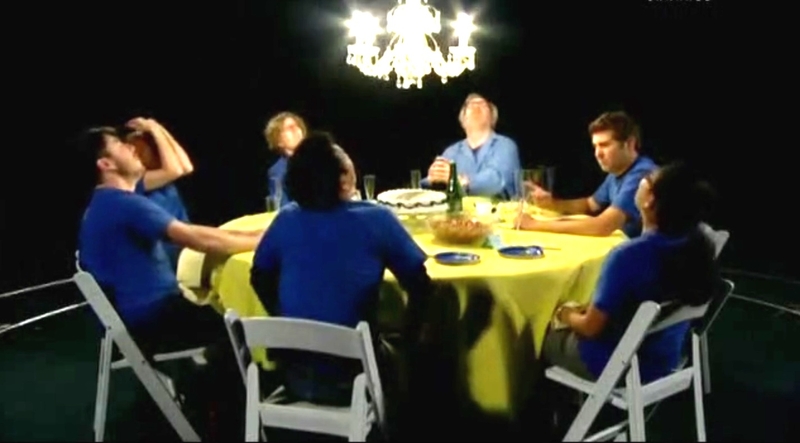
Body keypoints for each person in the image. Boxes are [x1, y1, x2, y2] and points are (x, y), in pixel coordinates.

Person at [76, 125, 264, 437]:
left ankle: (204, 400)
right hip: (151, 321)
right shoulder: (122, 204)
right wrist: (264, 239)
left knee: (222, 317)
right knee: (241, 329)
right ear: (106, 163)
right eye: (121, 145)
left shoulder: (109, 202)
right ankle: (225, 424)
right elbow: (198, 239)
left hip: (138, 319)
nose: (131, 148)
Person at [250, 132, 432, 411]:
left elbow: (259, 276)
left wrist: (285, 318)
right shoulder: (376, 219)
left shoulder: (286, 219)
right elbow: (420, 285)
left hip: (293, 375)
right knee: (415, 357)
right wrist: (409, 337)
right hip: (356, 380)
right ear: (343, 178)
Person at [542, 161, 720, 386]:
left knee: (542, 334)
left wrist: (564, 313)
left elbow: (590, 328)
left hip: (620, 367)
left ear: (650, 201)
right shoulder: (697, 243)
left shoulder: (628, 256)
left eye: (649, 180)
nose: (643, 179)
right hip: (666, 358)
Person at [516, 111, 658, 238]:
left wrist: (534, 225)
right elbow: (590, 204)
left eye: (604, 145)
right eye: (595, 146)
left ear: (630, 144)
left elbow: (602, 226)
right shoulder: (618, 171)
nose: (597, 154)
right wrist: (552, 203)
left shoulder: (641, 174)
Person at [421, 93, 521, 199]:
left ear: (493, 117)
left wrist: (459, 180)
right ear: (462, 120)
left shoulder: (505, 145)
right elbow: (433, 187)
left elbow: (497, 182)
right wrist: (433, 178)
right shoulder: (451, 152)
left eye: (482, 104)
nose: (476, 107)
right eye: (470, 105)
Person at [125, 117, 193, 271]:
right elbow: (175, 171)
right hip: (165, 253)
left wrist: (158, 129)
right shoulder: (135, 182)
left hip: (185, 244)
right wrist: (155, 129)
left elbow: (186, 167)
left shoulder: (161, 173)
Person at [263, 111, 307, 207]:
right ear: (279, 141)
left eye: (297, 126)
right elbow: (281, 207)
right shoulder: (278, 171)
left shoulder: (323, 159)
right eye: (290, 128)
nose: (296, 130)